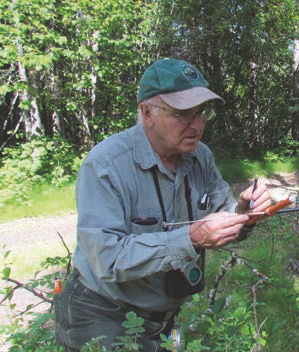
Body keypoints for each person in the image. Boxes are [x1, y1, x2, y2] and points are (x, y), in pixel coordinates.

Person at [53, 58, 271, 351]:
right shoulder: (105, 165)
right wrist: (191, 238)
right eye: (183, 114)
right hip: (101, 311)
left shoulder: (200, 156)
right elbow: (108, 259)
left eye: (201, 113)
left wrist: (244, 212)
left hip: (164, 317)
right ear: (147, 112)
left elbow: (224, 210)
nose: (197, 125)